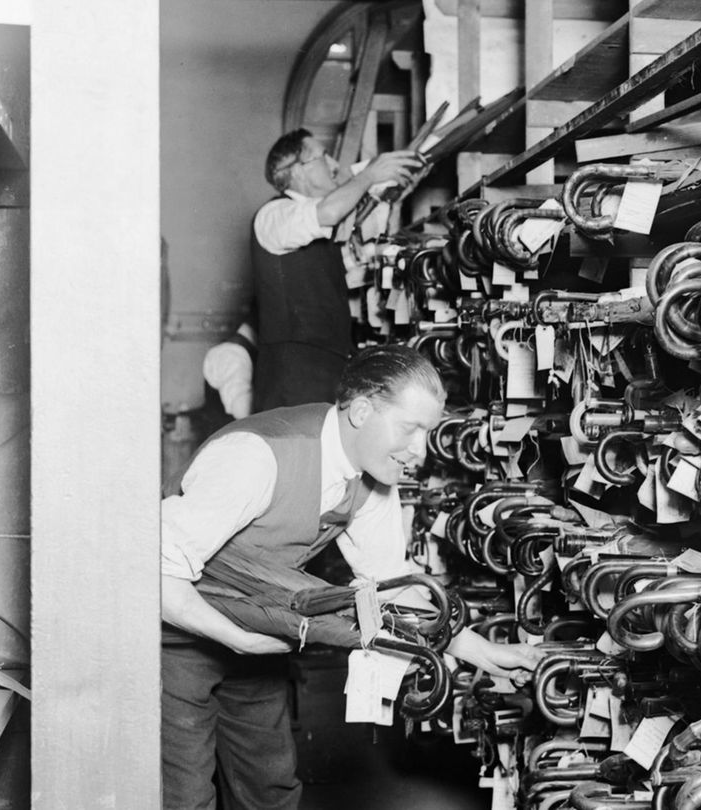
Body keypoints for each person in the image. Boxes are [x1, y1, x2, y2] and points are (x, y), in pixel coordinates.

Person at [160, 345, 543, 809]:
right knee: (183, 795)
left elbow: (390, 583)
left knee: (270, 791)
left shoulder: (371, 476)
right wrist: (237, 639)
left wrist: (481, 650)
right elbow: (157, 575)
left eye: (429, 432)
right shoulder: (256, 457)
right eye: (410, 429)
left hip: (255, 642)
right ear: (362, 411)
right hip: (177, 641)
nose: (420, 451)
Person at [251, 130, 424, 412]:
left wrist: (396, 197)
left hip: (325, 367)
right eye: (323, 157)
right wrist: (369, 175)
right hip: (294, 377)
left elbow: (365, 262)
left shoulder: (320, 232)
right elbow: (328, 212)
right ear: (297, 171)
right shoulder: (274, 215)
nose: (334, 165)